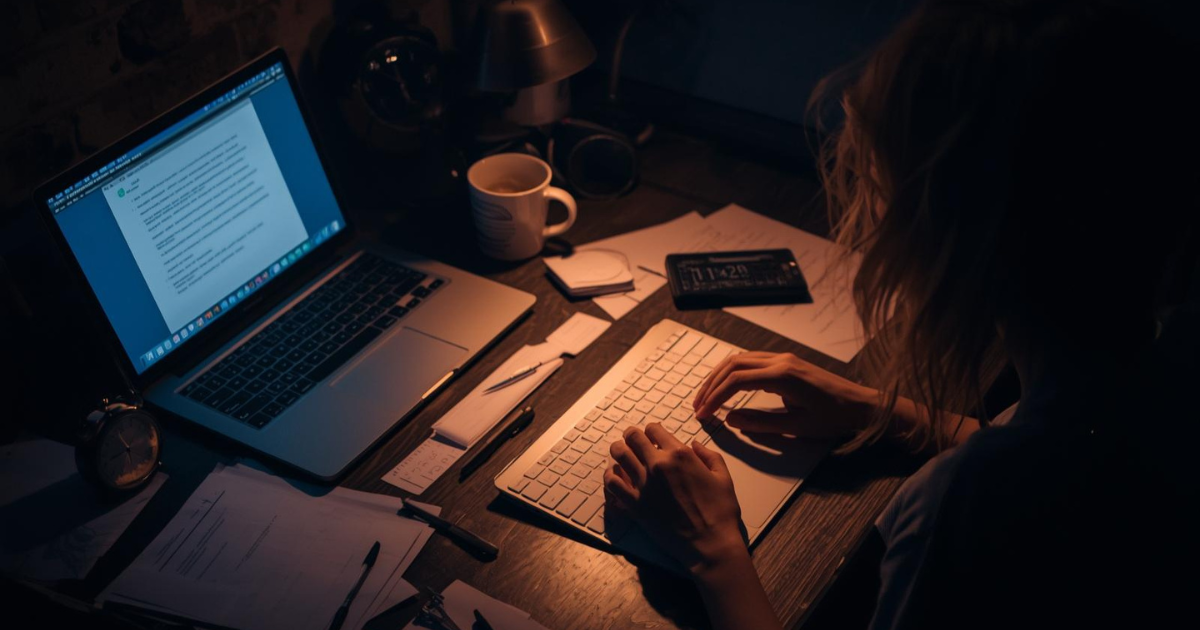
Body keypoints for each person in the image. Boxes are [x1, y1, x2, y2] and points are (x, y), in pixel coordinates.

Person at [603, 1, 1200, 628]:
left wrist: (714, 553)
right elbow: (1072, 439)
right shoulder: (1169, 353)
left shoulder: (965, 512)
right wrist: (877, 410)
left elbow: (1036, 469)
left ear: (945, 234)